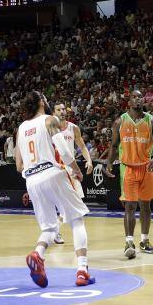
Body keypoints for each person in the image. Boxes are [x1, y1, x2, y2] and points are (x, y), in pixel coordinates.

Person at [15, 92, 94, 288]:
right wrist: (76, 171)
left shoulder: (21, 128)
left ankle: (38, 254)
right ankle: (82, 270)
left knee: (49, 227)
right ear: (41, 102)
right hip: (52, 172)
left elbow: (18, 166)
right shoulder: (50, 120)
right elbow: (65, 152)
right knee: (76, 219)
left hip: (32, 179)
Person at [106, 90, 153, 259]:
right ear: (129, 101)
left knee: (146, 206)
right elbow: (113, 145)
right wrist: (109, 163)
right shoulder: (120, 121)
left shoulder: (152, 121)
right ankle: (129, 242)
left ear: (143, 100)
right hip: (129, 168)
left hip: (147, 167)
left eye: (140, 97)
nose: (138, 99)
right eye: (134, 97)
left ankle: (144, 241)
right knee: (130, 206)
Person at [52, 103, 94, 244]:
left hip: (70, 170)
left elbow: (82, 146)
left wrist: (89, 160)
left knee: (73, 203)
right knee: (70, 204)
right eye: (59, 110)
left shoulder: (73, 128)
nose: (62, 112)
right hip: (55, 169)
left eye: (64, 109)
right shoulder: (49, 128)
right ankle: (57, 231)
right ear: (53, 112)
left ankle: (55, 231)